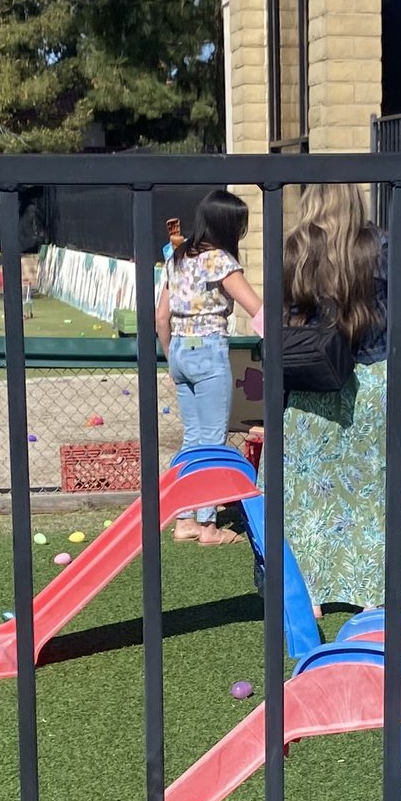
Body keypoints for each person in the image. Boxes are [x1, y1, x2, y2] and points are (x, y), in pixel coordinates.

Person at [275, 183, 401, 609]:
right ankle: (372, 592)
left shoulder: (295, 248)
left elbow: (284, 305)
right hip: (374, 380)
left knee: (308, 490)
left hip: (312, 379)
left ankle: (310, 593)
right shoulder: (377, 244)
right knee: (374, 487)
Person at [155, 189, 261, 544]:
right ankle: (208, 524)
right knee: (214, 441)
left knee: (193, 439)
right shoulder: (220, 260)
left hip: (181, 350)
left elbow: (160, 317)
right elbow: (255, 308)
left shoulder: (178, 257)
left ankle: (184, 518)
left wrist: (173, 356)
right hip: (209, 350)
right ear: (227, 224)